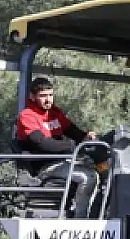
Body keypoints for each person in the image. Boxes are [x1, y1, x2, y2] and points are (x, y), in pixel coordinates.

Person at [14, 75, 100, 217]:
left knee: (98, 172)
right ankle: (81, 221)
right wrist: (72, 146)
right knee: (89, 177)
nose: (48, 99)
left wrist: (86, 137)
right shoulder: (27, 116)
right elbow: (42, 143)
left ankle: (90, 213)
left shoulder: (54, 114)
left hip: (62, 162)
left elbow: (72, 131)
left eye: (50, 95)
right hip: (45, 167)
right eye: (43, 96)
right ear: (32, 96)